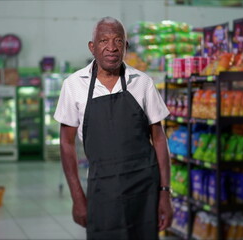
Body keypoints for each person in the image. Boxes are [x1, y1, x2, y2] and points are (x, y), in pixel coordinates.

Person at [54, 16, 173, 240]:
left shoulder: (143, 83)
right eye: (104, 41)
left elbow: (159, 139)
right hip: (102, 190)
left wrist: (165, 194)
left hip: (144, 189)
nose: (111, 47)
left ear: (126, 46)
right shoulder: (73, 85)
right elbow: (66, 144)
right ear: (92, 47)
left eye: (118, 41)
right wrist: (78, 197)